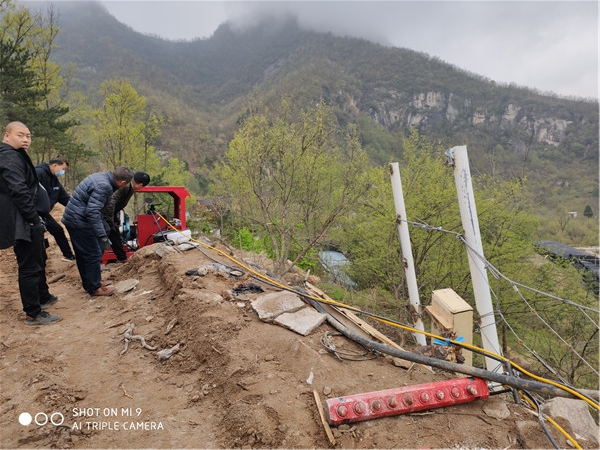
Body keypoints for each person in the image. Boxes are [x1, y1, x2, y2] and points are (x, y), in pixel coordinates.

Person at [0, 121, 62, 325]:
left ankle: (42, 297)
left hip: (26, 219)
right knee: (29, 266)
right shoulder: (8, 156)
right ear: (7, 136)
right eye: (20, 135)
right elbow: (18, 190)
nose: (26, 139)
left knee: (38, 259)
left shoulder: (14, 154)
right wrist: (33, 219)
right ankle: (33, 313)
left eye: (28, 135)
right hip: (23, 221)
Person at [62, 166, 133, 297]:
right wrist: (102, 235)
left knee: (83, 254)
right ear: (123, 183)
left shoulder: (101, 177)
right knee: (93, 254)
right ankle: (94, 287)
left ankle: (91, 283)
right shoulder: (104, 186)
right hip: (79, 221)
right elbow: (93, 212)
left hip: (74, 218)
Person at [103, 171, 150, 262]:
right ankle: (98, 262)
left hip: (110, 214)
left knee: (114, 234)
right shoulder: (125, 187)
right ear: (140, 185)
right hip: (104, 214)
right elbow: (111, 201)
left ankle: (122, 258)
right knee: (104, 234)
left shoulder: (130, 187)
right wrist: (110, 220)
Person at [35, 156, 76, 261]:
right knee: (37, 236)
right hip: (33, 212)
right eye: (63, 169)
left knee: (58, 230)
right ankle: (38, 258)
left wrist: (78, 207)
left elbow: (64, 197)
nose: (63, 172)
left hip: (44, 213)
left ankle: (68, 255)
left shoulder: (54, 180)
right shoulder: (38, 173)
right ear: (54, 165)